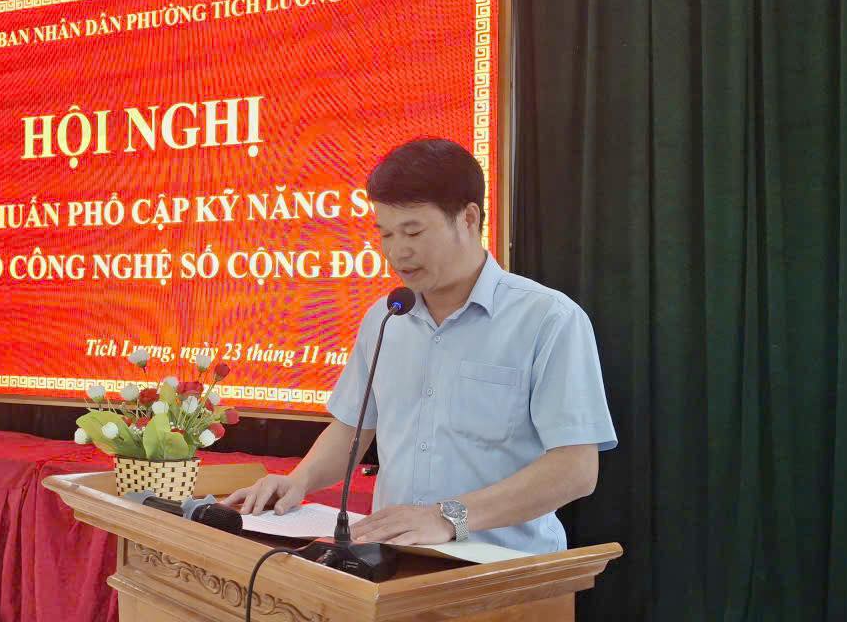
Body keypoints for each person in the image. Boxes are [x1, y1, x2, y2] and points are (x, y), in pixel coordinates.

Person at [225, 138, 616, 553]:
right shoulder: (385, 317)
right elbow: (351, 429)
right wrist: (298, 480)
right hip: (394, 559)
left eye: (413, 231)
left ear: (468, 218)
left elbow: (575, 469)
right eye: (386, 233)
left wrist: (449, 517)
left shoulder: (547, 319)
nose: (397, 251)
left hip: (504, 567)